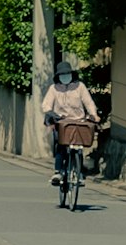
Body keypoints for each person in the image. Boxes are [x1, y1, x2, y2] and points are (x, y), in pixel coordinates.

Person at [41, 67, 102, 207]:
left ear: (72, 74)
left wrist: (94, 114)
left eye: (67, 74)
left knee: (78, 146)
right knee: (61, 144)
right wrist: (51, 113)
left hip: (78, 121)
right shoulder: (54, 89)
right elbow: (46, 104)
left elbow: (88, 102)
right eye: (62, 74)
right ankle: (58, 172)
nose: (65, 76)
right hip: (61, 121)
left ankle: (79, 173)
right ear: (58, 76)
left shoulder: (80, 87)